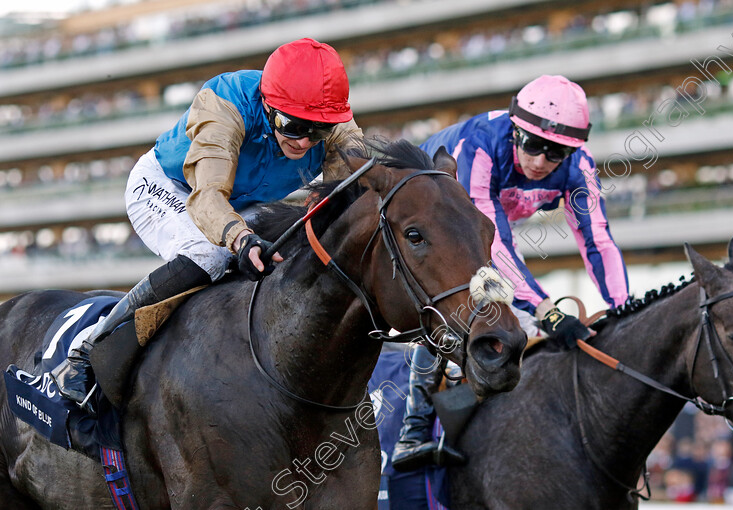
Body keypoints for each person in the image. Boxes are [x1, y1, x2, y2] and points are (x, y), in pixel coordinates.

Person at [49, 38, 363, 413]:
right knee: (211, 253)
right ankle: (86, 351)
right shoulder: (225, 104)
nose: (305, 141)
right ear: (267, 103)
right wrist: (241, 240)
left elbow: (348, 200)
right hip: (170, 187)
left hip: (241, 204)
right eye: (292, 125)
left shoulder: (335, 123)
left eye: (318, 131)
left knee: (287, 251)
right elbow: (208, 196)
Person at [390, 74, 629, 471]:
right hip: (431, 212)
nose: (541, 161)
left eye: (556, 153)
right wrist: (547, 311)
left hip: (480, 225)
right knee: (460, 301)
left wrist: (623, 308)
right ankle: (414, 429)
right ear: (516, 131)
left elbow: (598, 240)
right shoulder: (480, 145)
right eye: (533, 145)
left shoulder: (579, 167)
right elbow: (495, 249)